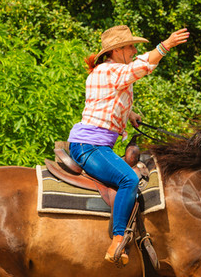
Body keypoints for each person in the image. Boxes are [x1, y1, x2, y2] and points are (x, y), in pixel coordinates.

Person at [68, 25, 190, 264]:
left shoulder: (107, 72)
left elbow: (106, 101)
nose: (134, 50)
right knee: (129, 179)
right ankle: (117, 240)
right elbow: (141, 67)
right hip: (90, 146)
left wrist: (129, 114)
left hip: (93, 144)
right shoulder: (110, 71)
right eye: (131, 46)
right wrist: (166, 45)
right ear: (116, 51)